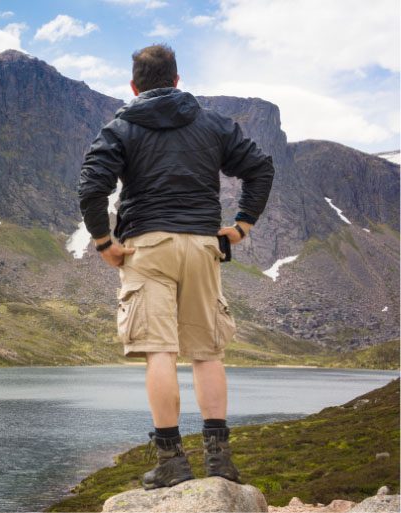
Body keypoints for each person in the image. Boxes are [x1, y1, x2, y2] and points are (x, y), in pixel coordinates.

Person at [77, 44, 275, 490]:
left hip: (148, 245)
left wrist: (104, 242)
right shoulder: (212, 124)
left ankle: (171, 462)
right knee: (207, 352)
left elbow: (92, 186)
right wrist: (241, 226)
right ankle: (220, 460)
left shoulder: (122, 126)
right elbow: (260, 167)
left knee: (160, 351)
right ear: (177, 81)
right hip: (204, 245)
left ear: (134, 85)